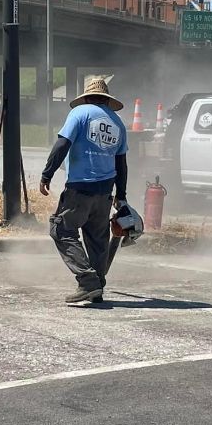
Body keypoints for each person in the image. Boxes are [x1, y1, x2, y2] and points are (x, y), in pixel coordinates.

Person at [39, 76, 129, 305]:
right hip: (105, 192)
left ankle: (88, 282)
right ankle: (97, 286)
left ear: (87, 97)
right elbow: (121, 163)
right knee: (97, 240)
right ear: (107, 100)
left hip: (80, 188)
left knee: (61, 230)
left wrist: (46, 174)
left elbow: (62, 144)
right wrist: (121, 195)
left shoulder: (80, 113)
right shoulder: (117, 123)